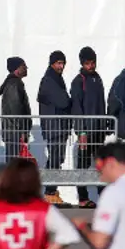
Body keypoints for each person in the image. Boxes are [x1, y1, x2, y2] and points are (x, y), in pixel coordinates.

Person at [70, 46, 107, 209]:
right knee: (83, 165)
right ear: (82, 63)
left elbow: (101, 103)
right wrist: (81, 132)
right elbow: (77, 107)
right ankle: (83, 198)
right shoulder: (78, 81)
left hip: (98, 130)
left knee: (101, 164)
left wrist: (105, 124)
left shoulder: (97, 78)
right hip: (86, 131)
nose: (91, 66)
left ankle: (104, 197)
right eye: (88, 63)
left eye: (93, 63)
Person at [37, 51, 72, 206]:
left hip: (57, 126)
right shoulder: (50, 80)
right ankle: (49, 192)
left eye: (62, 63)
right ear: (51, 63)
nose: (61, 66)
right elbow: (63, 101)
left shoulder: (55, 78)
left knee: (57, 159)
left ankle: (51, 191)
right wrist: (68, 99)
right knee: (55, 158)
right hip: (54, 126)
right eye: (58, 63)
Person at [0, 57, 32, 160]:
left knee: (15, 162)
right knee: (14, 163)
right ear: (16, 69)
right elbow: (15, 109)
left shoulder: (14, 83)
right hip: (14, 132)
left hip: (13, 131)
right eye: (23, 66)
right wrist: (22, 131)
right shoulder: (14, 84)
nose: (26, 68)